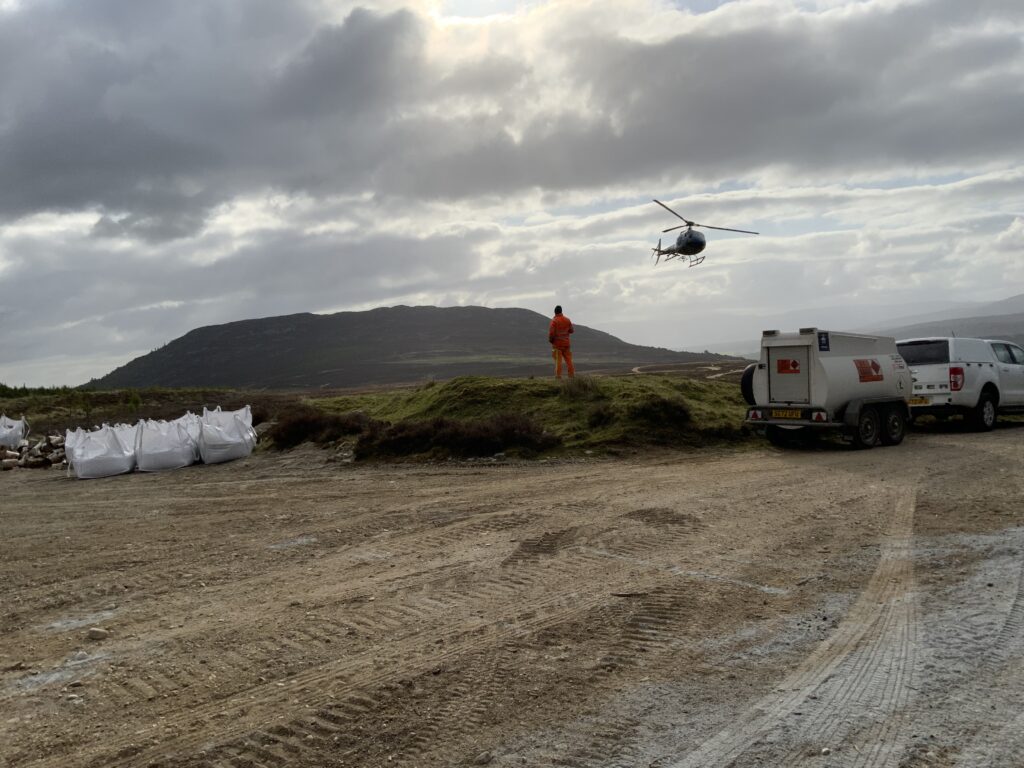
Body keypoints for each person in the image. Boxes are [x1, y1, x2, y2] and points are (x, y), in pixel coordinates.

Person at [548, 305, 575, 378]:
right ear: (561, 311)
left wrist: (551, 340)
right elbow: (571, 330)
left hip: (557, 345)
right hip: (566, 344)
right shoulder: (567, 320)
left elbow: (551, 333)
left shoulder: (554, 321)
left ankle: (558, 376)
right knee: (569, 360)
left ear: (555, 312)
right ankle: (571, 375)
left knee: (558, 361)